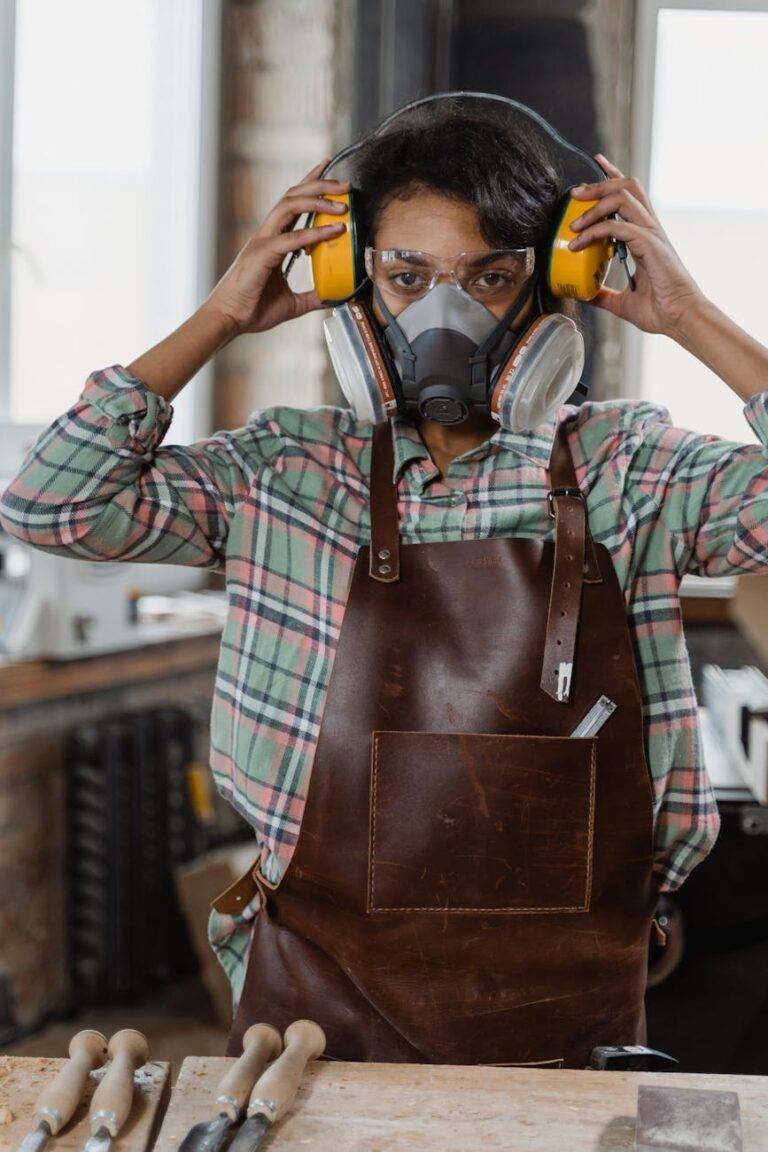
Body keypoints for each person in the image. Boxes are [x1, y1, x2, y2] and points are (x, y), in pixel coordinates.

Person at [3, 94, 768, 1068]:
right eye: (406, 276)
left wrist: (691, 318)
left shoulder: (632, 472)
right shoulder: (281, 473)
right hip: (310, 1035)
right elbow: (47, 505)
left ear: (553, 290)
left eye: (490, 277)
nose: (443, 313)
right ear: (350, 286)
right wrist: (223, 313)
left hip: (566, 1026)